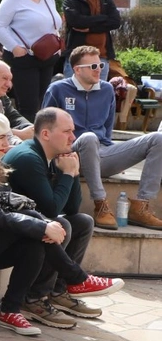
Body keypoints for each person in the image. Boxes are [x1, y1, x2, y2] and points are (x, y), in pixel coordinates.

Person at [0, 112, 121, 336]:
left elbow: (16, 206)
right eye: (1, 138)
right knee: (35, 232)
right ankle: (76, 278)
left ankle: (10, 310)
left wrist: (43, 222)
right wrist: (42, 227)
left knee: (35, 243)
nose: (7, 143)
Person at [3, 107, 107, 326]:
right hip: (8, 229)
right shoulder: (28, 158)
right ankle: (34, 299)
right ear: (46, 134)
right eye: (67, 131)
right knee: (60, 224)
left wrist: (72, 171)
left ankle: (58, 292)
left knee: (83, 222)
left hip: (33, 223)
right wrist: (67, 173)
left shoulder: (53, 156)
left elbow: (73, 207)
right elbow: (51, 210)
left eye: (73, 131)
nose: (73, 137)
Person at [43, 44, 162, 231]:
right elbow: (44, 128)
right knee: (89, 137)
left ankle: (141, 206)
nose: (99, 70)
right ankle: (100, 204)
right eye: (93, 66)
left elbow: (107, 131)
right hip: (70, 156)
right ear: (77, 70)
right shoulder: (58, 89)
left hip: (101, 153)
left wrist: (118, 155)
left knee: (158, 138)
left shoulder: (107, 90)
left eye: (100, 65)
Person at [0, 0, 64, 121]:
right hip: (24, 58)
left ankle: (39, 134)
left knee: (43, 103)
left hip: (47, 57)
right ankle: (27, 135)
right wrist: (14, 47)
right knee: (28, 106)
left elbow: (53, 24)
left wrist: (57, 45)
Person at [63, 0, 123, 76]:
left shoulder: (105, 0)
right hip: (78, 60)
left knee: (99, 88)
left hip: (102, 59)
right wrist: (103, 18)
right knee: (74, 88)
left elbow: (115, 22)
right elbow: (77, 22)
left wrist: (90, 28)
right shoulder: (71, 1)